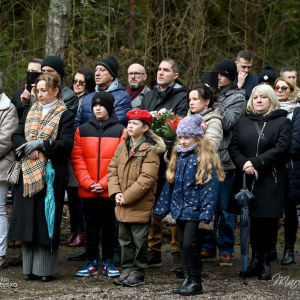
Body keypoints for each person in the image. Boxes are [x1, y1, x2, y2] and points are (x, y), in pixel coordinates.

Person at [8, 73, 75, 282]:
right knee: (28, 221)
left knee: (45, 220)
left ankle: (44, 269)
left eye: (44, 90)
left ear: (56, 91)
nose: (39, 94)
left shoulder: (65, 114)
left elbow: (66, 144)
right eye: (37, 90)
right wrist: (27, 148)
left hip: (50, 175)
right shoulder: (29, 111)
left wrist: (42, 145)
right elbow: (16, 135)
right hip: (28, 175)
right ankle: (28, 268)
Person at [153, 114, 225, 296]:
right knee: (182, 246)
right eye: (181, 137)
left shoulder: (204, 158)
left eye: (187, 137)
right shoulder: (179, 155)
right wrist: (161, 209)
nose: (183, 141)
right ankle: (187, 279)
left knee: (190, 245)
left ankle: (196, 281)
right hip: (180, 208)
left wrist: (206, 213)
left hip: (195, 210)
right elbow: (170, 184)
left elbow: (210, 188)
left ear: (197, 137)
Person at [228, 84, 292, 280]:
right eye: (255, 97)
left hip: (270, 179)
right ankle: (254, 261)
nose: (258, 100)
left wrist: (255, 162)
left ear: (271, 99)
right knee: (251, 222)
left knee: (268, 223)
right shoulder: (243, 122)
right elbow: (233, 147)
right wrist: (244, 164)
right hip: (247, 179)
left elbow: (281, 148)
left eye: (263, 97)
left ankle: (265, 262)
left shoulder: (283, 122)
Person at [140, 58, 188, 270]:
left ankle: (177, 251)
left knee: (175, 201)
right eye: (159, 69)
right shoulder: (148, 95)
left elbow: (180, 124)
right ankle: (154, 250)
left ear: (175, 75)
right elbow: (140, 120)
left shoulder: (182, 97)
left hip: (172, 155)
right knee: (152, 202)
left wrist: (159, 123)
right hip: (150, 154)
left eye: (166, 70)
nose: (160, 73)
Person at [107, 109, 165, 287]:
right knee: (124, 239)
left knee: (139, 240)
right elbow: (112, 170)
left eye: (135, 123)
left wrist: (127, 196)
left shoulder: (150, 150)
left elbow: (147, 179)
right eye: (129, 123)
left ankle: (138, 272)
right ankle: (126, 270)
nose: (130, 126)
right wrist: (116, 193)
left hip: (139, 203)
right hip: (122, 202)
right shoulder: (122, 146)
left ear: (145, 128)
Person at [71, 92, 124, 277]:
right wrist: (88, 183)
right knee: (90, 227)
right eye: (95, 105)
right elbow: (77, 159)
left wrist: (104, 183)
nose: (98, 108)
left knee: (110, 227)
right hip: (88, 190)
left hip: (109, 190)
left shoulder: (120, 131)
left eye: (101, 105)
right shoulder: (82, 130)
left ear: (109, 108)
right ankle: (91, 261)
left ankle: (109, 261)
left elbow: (120, 162)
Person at [201, 58, 245, 267]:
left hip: (225, 160)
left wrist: (212, 100)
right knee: (208, 207)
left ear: (230, 76)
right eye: (216, 73)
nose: (218, 77)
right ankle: (208, 247)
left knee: (225, 208)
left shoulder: (238, 97)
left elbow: (226, 122)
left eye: (223, 74)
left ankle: (226, 248)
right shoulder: (208, 94)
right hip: (206, 157)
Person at [61, 68, 95, 247]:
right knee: (72, 195)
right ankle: (74, 231)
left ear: (88, 84)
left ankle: (81, 232)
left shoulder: (88, 101)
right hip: (69, 151)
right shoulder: (71, 100)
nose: (77, 85)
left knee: (80, 195)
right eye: (75, 81)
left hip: (82, 151)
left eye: (81, 82)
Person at [274, 77, 300, 265]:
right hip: (270, 168)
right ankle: (269, 249)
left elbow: (296, 143)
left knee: (290, 210)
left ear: (292, 90)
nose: (281, 90)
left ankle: (289, 248)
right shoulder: (267, 109)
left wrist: (273, 150)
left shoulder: (297, 112)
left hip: (291, 167)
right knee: (270, 209)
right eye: (277, 87)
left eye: (285, 88)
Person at [74, 55, 132, 128]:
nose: (97, 73)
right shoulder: (87, 97)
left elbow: (118, 126)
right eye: (96, 70)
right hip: (85, 139)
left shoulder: (122, 97)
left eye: (102, 70)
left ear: (112, 76)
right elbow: (77, 124)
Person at [0, 72, 19, 269]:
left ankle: (0, 254)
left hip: (1, 166)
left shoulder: (8, 108)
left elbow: (5, 140)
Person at [187, 83, 223, 151]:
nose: (191, 103)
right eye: (190, 99)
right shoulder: (186, 119)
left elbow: (210, 147)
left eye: (195, 99)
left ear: (207, 101)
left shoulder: (214, 121)